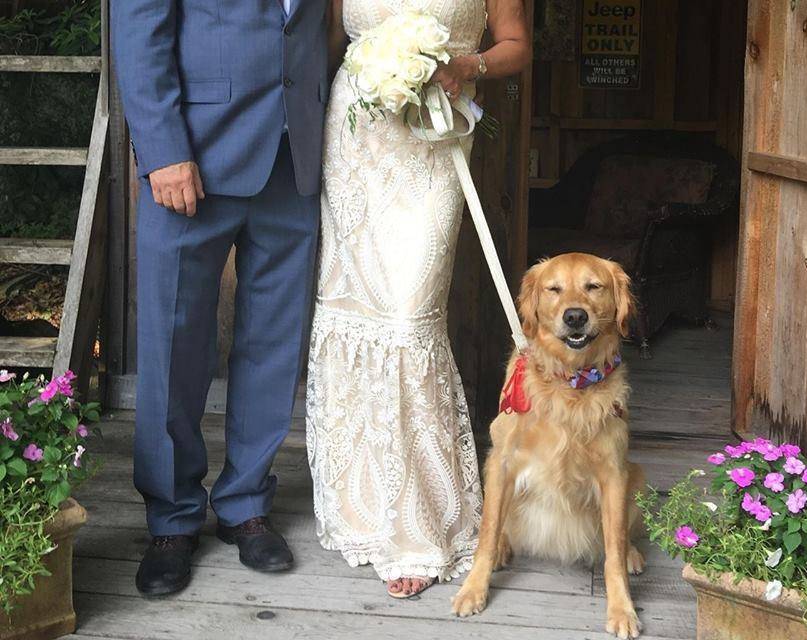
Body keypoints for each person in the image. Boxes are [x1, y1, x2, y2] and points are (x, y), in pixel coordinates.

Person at [305, 0, 531, 598]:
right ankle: (361, 498)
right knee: (354, 308)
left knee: (409, 315)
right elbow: (327, 43)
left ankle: (417, 520)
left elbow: (516, 44)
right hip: (356, 138)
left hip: (433, 139)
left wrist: (468, 64)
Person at [111, 0, 328, 596]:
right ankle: (172, 520)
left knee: (273, 343)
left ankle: (244, 505)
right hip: (192, 155)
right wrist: (161, 150)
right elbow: (138, 31)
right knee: (172, 344)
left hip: (295, 155)